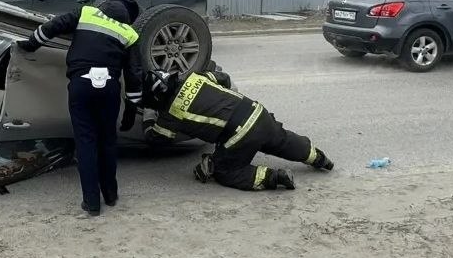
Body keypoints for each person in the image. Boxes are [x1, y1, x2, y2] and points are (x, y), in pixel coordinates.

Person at [19, 0, 144, 216]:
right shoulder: (130, 33)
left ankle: (92, 203)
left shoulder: (86, 13)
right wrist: (132, 110)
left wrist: (31, 44)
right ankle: (111, 195)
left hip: (81, 85)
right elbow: (134, 75)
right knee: (107, 141)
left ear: (104, 6)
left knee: (86, 143)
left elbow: (53, 26)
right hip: (109, 89)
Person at [128, 67, 333, 190]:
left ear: (155, 99)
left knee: (226, 172)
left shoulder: (171, 114)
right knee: (281, 140)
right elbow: (223, 77)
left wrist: (148, 116)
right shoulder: (194, 77)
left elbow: (156, 140)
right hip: (257, 112)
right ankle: (319, 158)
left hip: (240, 135)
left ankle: (275, 178)